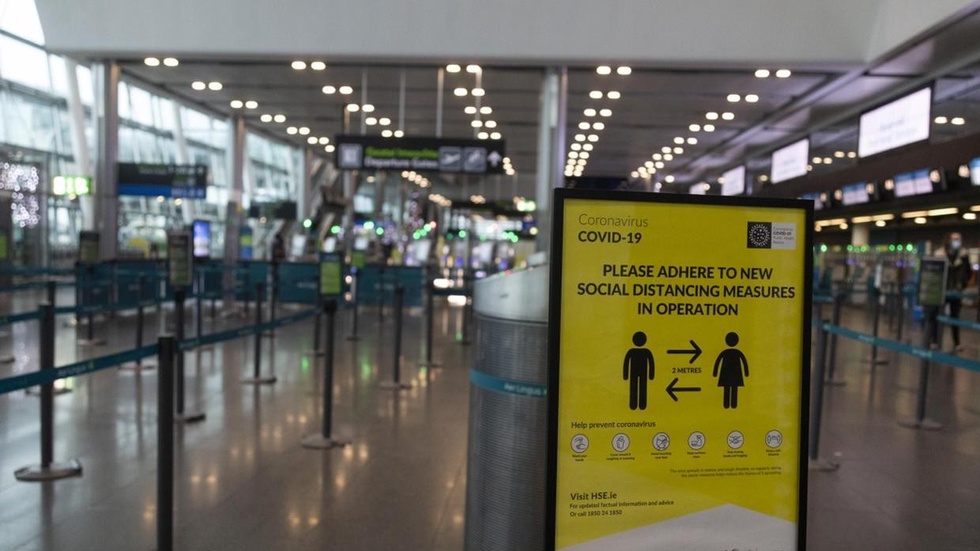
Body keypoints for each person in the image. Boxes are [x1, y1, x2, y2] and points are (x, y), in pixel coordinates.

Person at [934, 232, 972, 352]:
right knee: (938, 315)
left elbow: (968, 271)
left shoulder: (963, 255)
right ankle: (935, 341)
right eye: (955, 239)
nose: (957, 241)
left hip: (956, 290)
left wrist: (963, 285)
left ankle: (957, 343)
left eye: (959, 239)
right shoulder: (939, 254)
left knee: (955, 316)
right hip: (942, 290)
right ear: (949, 240)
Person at [713, 332, 749, 409]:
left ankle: (729, 404)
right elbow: (744, 362)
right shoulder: (737, 352)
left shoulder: (726, 352)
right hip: (734, 375)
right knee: (733, 389)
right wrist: (746, 373)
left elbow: (718, 362)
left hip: (727, 374)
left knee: (729, 389)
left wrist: (715, 373)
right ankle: (732, 404)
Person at [622, 331, 655, 411]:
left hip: (637, 373)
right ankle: (637, 405)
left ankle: (638, 405)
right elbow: (651, 363)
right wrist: (651, 375)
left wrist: (626, 375)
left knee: (639, 387)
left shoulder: (637, 351)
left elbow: (651, 363)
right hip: (639, 373)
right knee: (638, 387)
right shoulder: (644, 352)